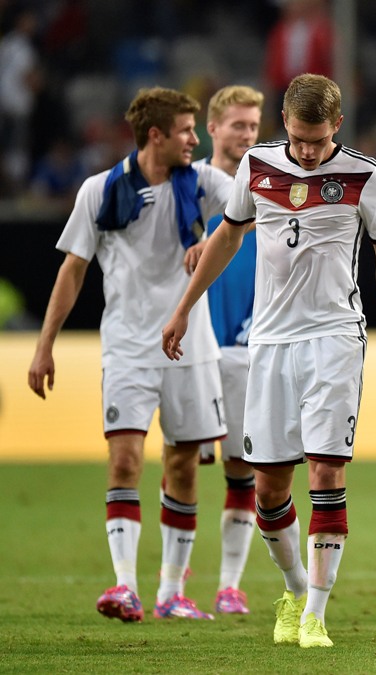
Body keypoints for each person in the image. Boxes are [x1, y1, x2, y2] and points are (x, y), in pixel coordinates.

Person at [161, 73, 376, 648]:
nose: (306, 151)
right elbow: (227, 238)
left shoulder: (364, 175)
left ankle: (316, 615)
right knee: (269, 488)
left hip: (335, 337)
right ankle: (295, 588)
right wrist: (183, 308)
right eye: (299, 139)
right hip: (272, 342)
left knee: (327, 471)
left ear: (338, 125)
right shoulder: (257, 166)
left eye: (318, 140)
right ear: (284, 122)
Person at [27, 87, 234, 622]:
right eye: (186, 131)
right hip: (127, 348)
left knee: (183, 467)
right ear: (155, 135)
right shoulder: (100, 190)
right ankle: (125, 586)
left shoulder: (205, 182)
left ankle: (171, 592)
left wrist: (211, 240)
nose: (195, 140)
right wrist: (45, 345)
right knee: (124, 460)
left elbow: (250, 214)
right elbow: (73, 269)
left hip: (191, 349)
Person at [188, 85, 265, 615]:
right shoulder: (187, 185)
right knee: (184, 464)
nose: (247, 135)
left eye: (254, 126)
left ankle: (229, 585)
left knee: (242, 467)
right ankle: (175, 581)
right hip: (194, 346)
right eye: (238, 125)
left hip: (244, 344)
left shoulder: (266, 187)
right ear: (212, 128)